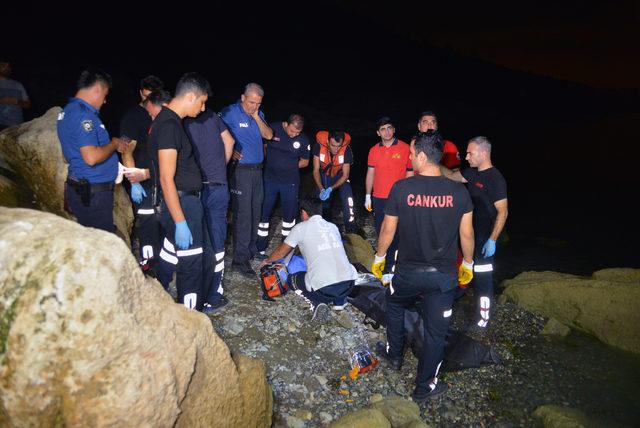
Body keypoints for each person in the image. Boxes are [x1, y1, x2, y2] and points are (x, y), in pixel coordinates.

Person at [372, 130, 475, 403]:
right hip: (442, 278)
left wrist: (379, 258)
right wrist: (468, 263)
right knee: (435, 332)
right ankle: (424, 386)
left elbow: (387, 229)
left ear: (420, 156)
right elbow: (467, 234)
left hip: (407, 274)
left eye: (410, 154)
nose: (408, 157)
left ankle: (394, 355)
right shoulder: (458, 192)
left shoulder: (401, 188)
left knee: (394, 303)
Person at [148, 72, 214, 312]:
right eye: (202, 101)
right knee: (192, 264)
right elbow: (166, 178)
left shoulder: (170, 122)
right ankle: (190, 317)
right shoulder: (168, 125)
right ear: (189, 96)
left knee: (169, 253)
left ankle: (154, 295)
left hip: (179, 203)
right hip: (182, 205)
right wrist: (180, 221)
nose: (203, 107)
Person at [440, 136, 508, 331]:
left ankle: (483, 319)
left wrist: (493, 240)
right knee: (459, 269)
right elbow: (453, 176)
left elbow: (503, 211)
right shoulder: (471, 173)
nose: (467, 156)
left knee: (483, 279)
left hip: (485, 238)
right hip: (467, 234)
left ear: (484, 153)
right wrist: (435, 163)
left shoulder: (496, 179)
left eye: (470, 153)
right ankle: (454, 300)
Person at [261, 196, 358, 323]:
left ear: (304, 212)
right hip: (349, 284)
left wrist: (267, 261)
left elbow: (281, 252)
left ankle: (317, 302)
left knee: (291, 279)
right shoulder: (333, 227)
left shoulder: (301, 228)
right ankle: (339, 303)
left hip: (325, 290)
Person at [57, 68, 130, 232]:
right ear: (97, 89)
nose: (105, 101)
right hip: (93, 194)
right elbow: (91, 158)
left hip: (83, 189)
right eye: (105, 95)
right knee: (101, 243)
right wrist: (114, 144)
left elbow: (67, 156)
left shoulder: (67, 111)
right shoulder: (84, 116)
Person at [184, 107, 235, 312]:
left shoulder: (183, 119)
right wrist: (219, 168)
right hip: (219, 186)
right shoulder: (214, 117)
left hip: (195, 187)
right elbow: (229, 142)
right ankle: (213, 296)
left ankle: (192, 295)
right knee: (217, 240)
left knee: (197, 242)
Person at [220, 83, 273, 277]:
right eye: (251, 102)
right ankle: (239, 260)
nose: (254, 106)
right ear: (243, 97)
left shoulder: (258, 114)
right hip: (240, 171)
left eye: (258, 103)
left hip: (258, 171)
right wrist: (229, 149)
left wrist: (257, 116)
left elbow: (268, 134)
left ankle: (250, 251)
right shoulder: (230, 113)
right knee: (243, 215)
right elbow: (214, 133)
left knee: (255, 211)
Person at [119, 75, 165, 273]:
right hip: (142, 178)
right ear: (140, 93)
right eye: (146, 97)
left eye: (152, 97)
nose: (148, 102)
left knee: (163, 221)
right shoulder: (133, 117)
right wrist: (133, 181)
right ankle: (148, 263)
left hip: (161, 176)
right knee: (147, 223)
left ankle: (165, 262)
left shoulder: (163, 113)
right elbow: (126, 150)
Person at [365, 117, 412, 284]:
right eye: (383, 129)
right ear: (378, 133)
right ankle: (383, 261)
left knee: (396, 233)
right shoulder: (373, 150)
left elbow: (410, 172)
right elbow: (370, 173)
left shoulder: (405, 148)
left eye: (389, 128)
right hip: (379, 197)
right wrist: (367, 195)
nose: (387, 131)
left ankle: (390, 268)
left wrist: (407, 194)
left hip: (398, 198)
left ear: (394, 130)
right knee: (381, 231)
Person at [256, 113, 311, 256]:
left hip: (290, 182)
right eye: (292, 131)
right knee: (264, 213)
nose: (294, 135)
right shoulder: (272, 129)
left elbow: (305, 161)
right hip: (270, 180)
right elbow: (264, 146)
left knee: (289, 217)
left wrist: (289, 167)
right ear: (286, 124)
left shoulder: (303, 139)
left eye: (298, 132)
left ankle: (286, 249)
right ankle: (260, 248)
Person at [312, 130, 356, 233]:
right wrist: (322, 188)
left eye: (338, 146)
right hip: (324, 175)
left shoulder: (347, 150)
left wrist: (331, 189)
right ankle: (324, 226)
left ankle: (351, 229)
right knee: (322, 202)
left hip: (340, 176)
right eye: (333, 145)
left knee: (348, 199)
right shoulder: (318, 146)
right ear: (327, 142)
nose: (336, 149)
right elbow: (315, 170)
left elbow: (345, 175)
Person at [0, 59, 31, 130]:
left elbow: (28, 105)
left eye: (8, 66)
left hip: (18, 126)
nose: (7, 68)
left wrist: (17, 101)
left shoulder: (18, 85)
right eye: (3, 65)